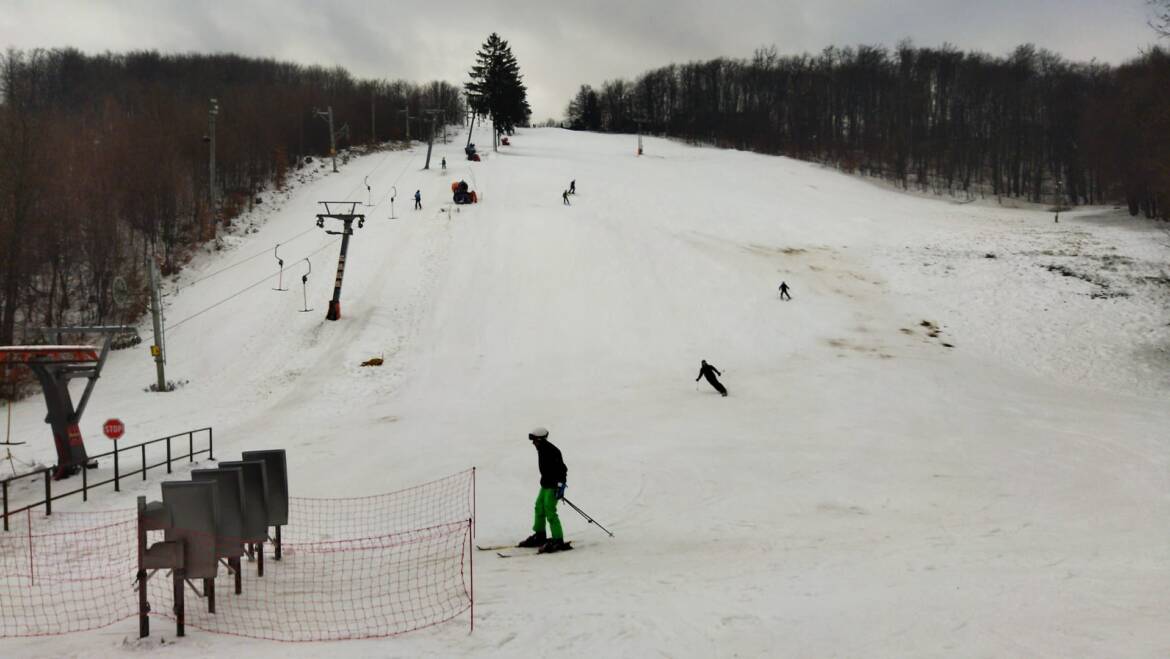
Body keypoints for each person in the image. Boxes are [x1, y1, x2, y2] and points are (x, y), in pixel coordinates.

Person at [518, 427, 570, 553]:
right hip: (545, 484)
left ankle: (558, 539)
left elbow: (562, 469)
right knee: (539, 507)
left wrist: (561, 486)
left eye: (534, 440)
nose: (533, 443)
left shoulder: (552, 451)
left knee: (550, 511)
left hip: (553, 486)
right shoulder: (541, 449)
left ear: (540, 440)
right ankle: (540, 536)